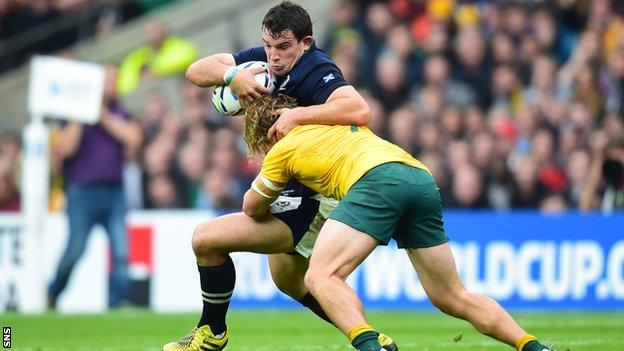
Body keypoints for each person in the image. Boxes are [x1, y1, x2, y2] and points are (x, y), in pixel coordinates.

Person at [164, 2, 397, 350]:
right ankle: (370, 337)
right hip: (292, 188)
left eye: (283, 47)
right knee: (289, 281)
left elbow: (359, 109)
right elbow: (196, 71)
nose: (273, 56)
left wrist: (298, 115)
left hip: (317, 197)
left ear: (305, 42)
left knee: (206, 239)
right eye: (268, 46)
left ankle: (212, 332)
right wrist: (232, 75)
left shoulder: (315, 68)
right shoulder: (266, 59)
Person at [241, 94, 556, 351]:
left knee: (320, 276)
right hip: (417, 176)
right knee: (452, 296)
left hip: (375, 181)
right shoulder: (332, 121)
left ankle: (371, 348)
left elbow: (252, 207)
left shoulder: (281, 149)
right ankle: (532, 347)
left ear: (270, 134)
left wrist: (274, 176)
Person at [47, 65, 143, 309]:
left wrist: (100, 114)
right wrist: (82, 113)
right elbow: (64, 150)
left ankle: (118, 301)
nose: (110, 85)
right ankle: (53, 291)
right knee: (75, 250)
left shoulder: (122, 113)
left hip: (114, 192)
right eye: (106, 80)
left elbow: (133, 139)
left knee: (121, 250)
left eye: (113, 80)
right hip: (81, 193)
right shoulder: (72, 115)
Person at [117, 21, 198, 95]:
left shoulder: (178, 45)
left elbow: (187, 58)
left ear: (165, 32)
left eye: (155, 30)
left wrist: (157, 71)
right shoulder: (138, 55)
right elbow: (124, 83)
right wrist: (140, 79)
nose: (151, 34)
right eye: (149, 31)